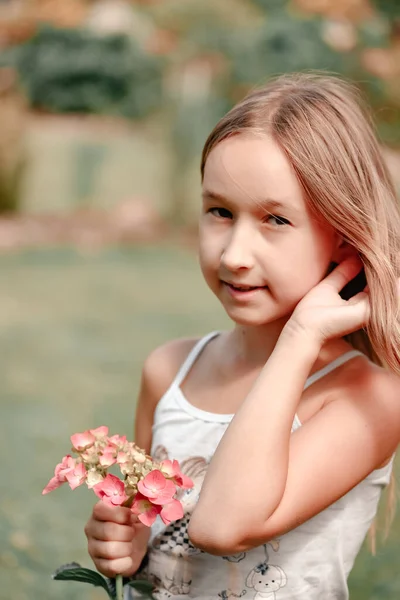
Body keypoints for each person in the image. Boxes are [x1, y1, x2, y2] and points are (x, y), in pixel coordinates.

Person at [84, 73, 400, 600]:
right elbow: (153, 540)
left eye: (275, 219)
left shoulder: (370, 398)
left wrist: (301, 337)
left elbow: (220, 526)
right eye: (220, 211)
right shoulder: (169, 370)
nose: (233, 254)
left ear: (344, 237)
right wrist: (125, 544)